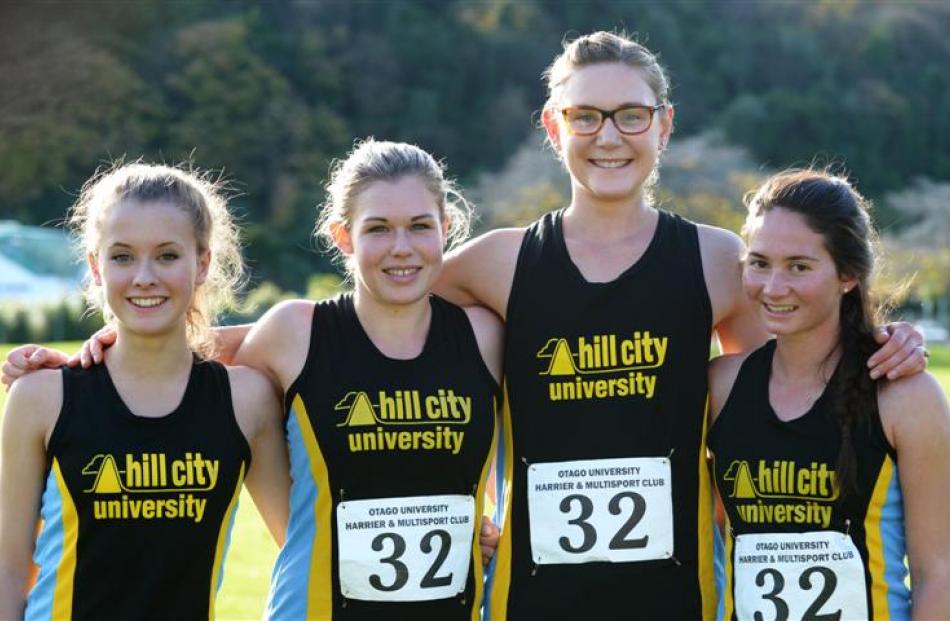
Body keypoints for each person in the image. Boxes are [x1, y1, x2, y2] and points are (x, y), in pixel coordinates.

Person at [428, 32, 927, 619]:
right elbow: (387, 337)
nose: (608, 136)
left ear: (664, 125)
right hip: (532, 600)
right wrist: (461, 506)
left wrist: (883, 340)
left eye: (631, 115)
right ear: (553, 126)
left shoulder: (717, 262)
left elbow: (777, 403)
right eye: (585, 116)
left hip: (678, 600)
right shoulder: (495, 263)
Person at [0, 163, 289, 620]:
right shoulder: (40, 397)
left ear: (203, 264)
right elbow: (9, 568)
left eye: (167, 256)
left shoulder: (246, 400)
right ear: (95, 267)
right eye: (122, 257)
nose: (144, 277)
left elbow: (302, 545)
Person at [708, 169, 950, 620]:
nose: (773, 287)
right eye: (759, 263)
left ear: (848, 274)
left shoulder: (904, 395)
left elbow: (938, 573)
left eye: (799, 266)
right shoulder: (722, 385)